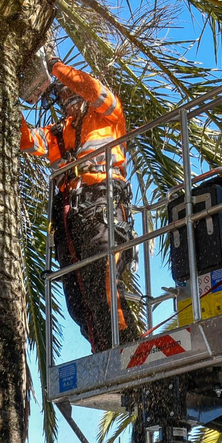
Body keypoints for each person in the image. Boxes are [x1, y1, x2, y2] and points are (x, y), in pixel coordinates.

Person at [20, 56, 139, 352]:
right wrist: (8, 98)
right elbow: (25, 140)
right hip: (69, 217)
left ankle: (129, 348)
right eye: (62, 94)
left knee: (104, 286)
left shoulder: (108, 114)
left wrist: (56, 67)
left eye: (71, 91)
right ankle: (103, 350)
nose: (67, 97)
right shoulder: (57, 133)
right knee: (77, 298)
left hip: (102, 204)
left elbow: (92, 88)